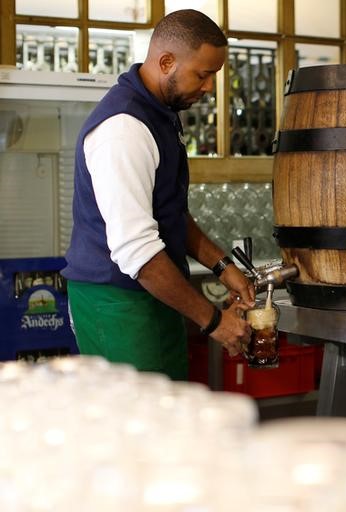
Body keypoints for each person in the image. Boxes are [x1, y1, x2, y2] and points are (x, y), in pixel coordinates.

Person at [62, 9, 256, 380]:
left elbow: (169, 213)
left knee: (169, 417)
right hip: (117, 304)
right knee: (134, 427)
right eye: (203, 74)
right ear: (166, 61)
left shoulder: (161, 113)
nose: (209, 87)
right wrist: (214, 320)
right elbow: (137, 249)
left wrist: (222, 265)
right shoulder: (124, 129)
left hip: (156, 297)